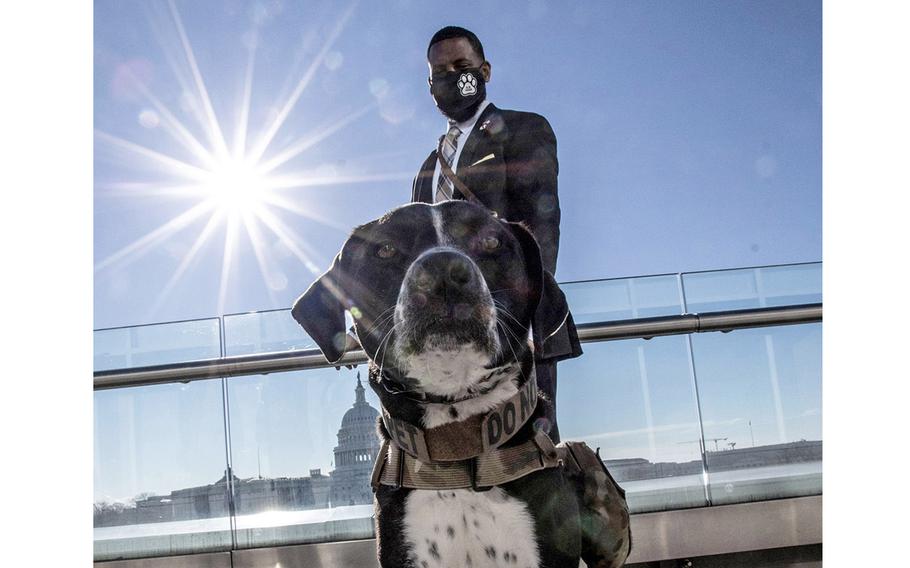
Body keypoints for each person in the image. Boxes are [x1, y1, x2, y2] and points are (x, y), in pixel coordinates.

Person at [411, 26, 581, 443]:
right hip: (441, 341)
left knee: (530, 459)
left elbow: (540, 227)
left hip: (508, 330)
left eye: (462, 66)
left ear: (484, 70)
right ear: (429, 86)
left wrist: (522, 317)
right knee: (460, 463)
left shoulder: (522, 130)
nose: (451, 77)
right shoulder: (428, 169)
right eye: (439, 72)